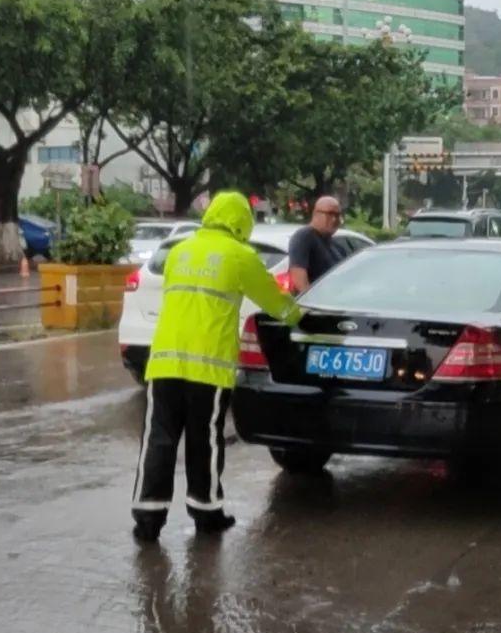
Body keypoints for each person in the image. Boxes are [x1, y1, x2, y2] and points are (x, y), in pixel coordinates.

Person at [131, 191, 301, 542]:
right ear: (241, 222)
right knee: (204, 440)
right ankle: (206, 512)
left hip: (164, 362)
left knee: (158, 440)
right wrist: (300, 315)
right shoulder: (240, 256)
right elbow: (274, 302)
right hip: (208, 367)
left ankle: (148, 517)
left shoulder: (179, 251)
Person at [288, 195, 349, 294]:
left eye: (337, 215)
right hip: (315, 306)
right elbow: (298, 277)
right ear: (316, 213)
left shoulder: (338, 247)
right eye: (329, 214)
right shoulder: (304, 236)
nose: (334, 219)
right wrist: (309, 302)